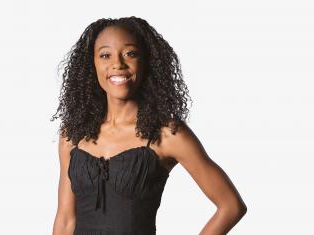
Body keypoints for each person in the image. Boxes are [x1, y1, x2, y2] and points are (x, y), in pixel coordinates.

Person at [51, 16, 247, 235]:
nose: (117, 63)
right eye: (105, 55)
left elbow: (231, 206)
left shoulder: (168, 135)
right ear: (92, 64)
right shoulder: (73, 135)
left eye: (130, 53)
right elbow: (66, 220)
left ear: (146, 61)